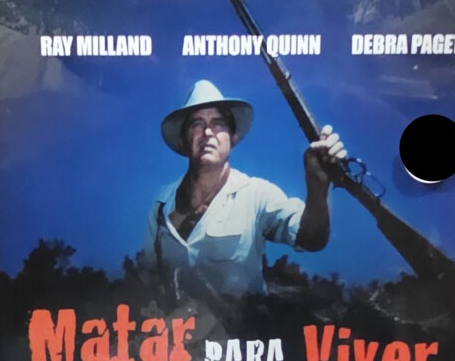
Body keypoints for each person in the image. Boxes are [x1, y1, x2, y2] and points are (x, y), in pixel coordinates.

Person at [143, 80, 344, 296]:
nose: (208, 132)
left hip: (243, 318)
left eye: (218, 123)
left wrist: (318, 184)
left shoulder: (256, 195)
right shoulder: (161, 204)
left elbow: (311, 238)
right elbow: (149, 279)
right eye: (197, 124)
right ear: (184, 139)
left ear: (233, 137)